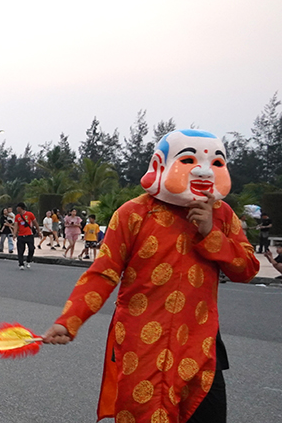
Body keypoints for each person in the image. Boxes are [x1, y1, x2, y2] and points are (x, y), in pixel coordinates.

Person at [42, 128, 259, 423]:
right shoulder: (132, 214)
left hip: (201, 345)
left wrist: (211, 232)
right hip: (141, 348)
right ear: (160, 165)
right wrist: (69, 320)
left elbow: (246, 270)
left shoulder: (222, 214)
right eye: (189, 161)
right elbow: (102, 274)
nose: (204, 171)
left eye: (216, 163)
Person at [13, 202, 38, 270]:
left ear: (21, 208)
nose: (16, 209)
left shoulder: (30, 214)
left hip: (29, 234)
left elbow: (35, 223)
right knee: (20, 250)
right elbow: (16, 226)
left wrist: (39, 231)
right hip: (21, 235)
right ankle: (21, 264)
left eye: (17, 207)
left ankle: (28, 260)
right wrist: (14, 234)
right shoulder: (17, 216)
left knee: (31, 248)